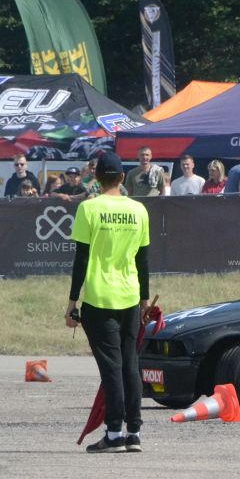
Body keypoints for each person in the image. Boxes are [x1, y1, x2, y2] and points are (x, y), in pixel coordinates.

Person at [65, 150, 152, 454]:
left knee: (112, 368)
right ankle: (134, 431)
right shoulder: (139, 210)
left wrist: (72, 302)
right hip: (130, 296)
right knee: (130, 364)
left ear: (96, 177)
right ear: (122, 177)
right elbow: (143, 260)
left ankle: (114, 433)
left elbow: (81, 258)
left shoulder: (89, 209)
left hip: (100, 298)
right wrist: (144, 299)